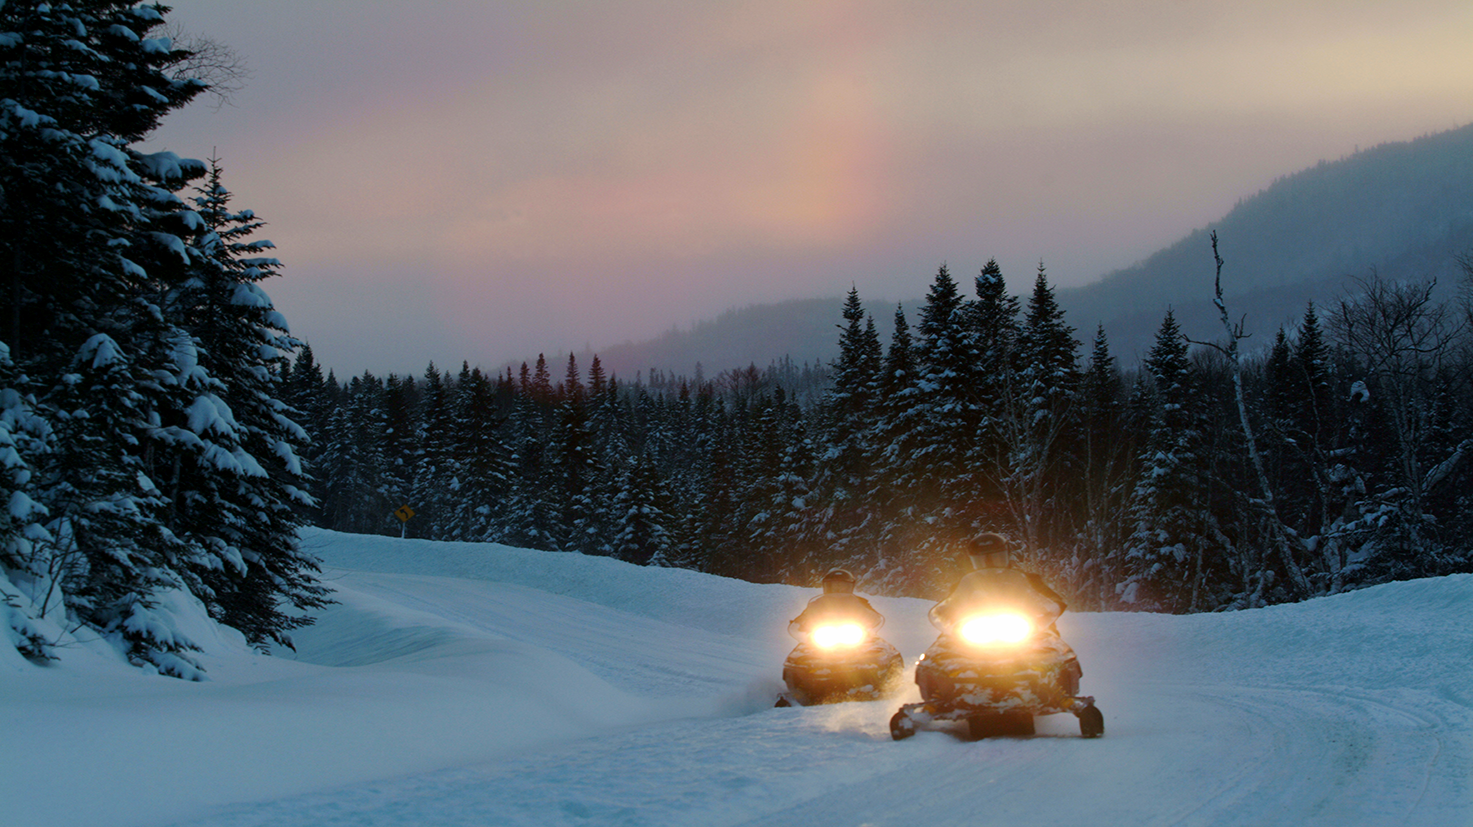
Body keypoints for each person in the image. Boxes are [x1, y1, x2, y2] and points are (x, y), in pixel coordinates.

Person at [929, 532, 1066, 630]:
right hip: (977, 633)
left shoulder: (1029, 580)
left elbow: (1052, 599)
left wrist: (1048, 609)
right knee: (943, 649)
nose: (990, 563)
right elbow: (951, 603)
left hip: (1022, 631)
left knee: (1054, 649)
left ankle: (1062, 669)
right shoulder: (965, 584)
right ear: (972, 561)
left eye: (996, 557)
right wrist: (946, 613)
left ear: (1007, 555)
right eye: (982, 560)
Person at [788, 568, 885, 638]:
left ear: (850, 586)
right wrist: (800, 624)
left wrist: (869, 624)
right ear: (827, 586)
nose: (838, 589)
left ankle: (890, 665)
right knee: (799, 654)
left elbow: (875, 617)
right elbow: (805, 617)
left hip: (854, 638)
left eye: (842, 585)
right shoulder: (817, 603)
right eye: (834, 585)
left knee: (881, 649)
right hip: (824, 639)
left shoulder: (860, 602)